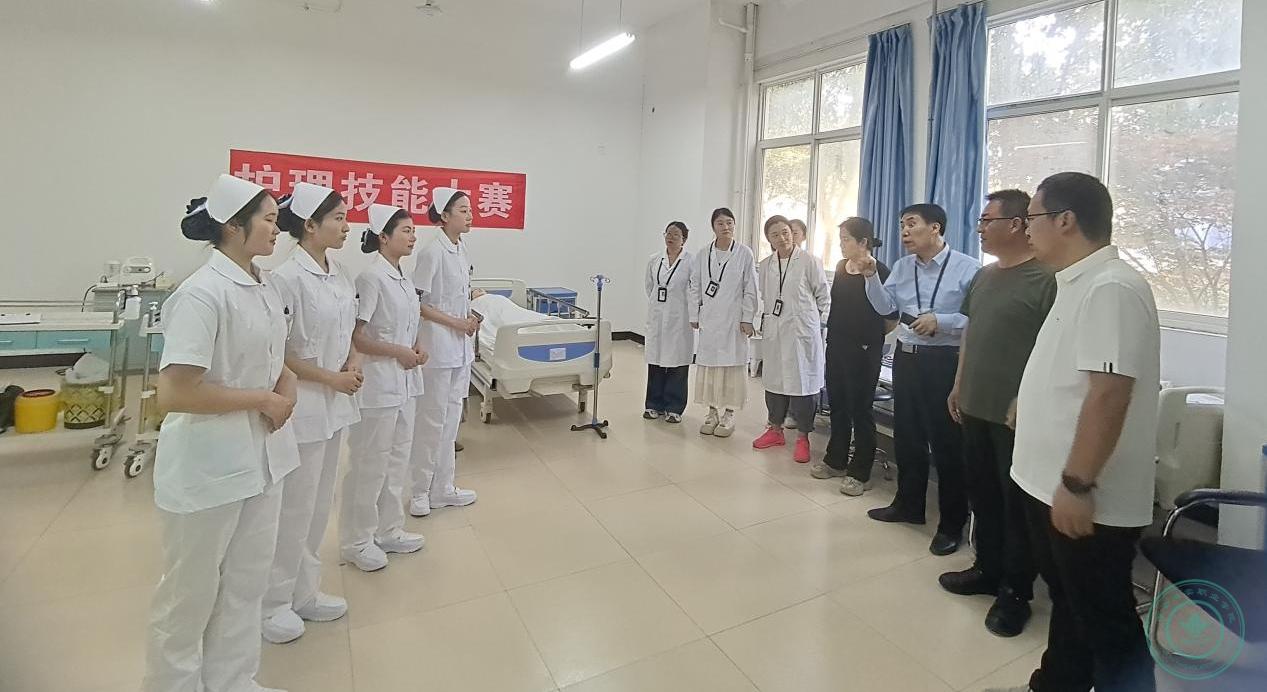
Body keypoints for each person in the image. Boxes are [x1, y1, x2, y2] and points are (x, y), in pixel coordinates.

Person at [987, 173, 1160, 692]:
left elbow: (1110, 394)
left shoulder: (1112, 288)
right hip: (1047, 483)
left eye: (1033, 217)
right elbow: (1075, 375)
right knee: (1070, 603)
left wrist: (1078, 483)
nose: (1026, 228)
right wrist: (1029, 400)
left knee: (1106, 620)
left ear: (1065, 220)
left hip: (1083, 496)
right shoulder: (1073, 281)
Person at [142, 174, 300, 692]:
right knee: (188, 594)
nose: (277, 230)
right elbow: (175, 392)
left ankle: (233, 679)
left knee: (247, 580)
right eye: (269, 220)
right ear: (234, 226)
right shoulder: (201, 293)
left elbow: (271, 355)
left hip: (262, 458)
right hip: (209, 466)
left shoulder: (262, 284)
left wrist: (286, 381)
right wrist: (263, 399)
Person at [939, 189, 1055, 639]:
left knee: (1015, 506)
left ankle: (1015, 592)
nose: (980, 228)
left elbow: (1053, 350)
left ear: (1018, 224)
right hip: (975, 405)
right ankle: (986, 569)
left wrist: (1025, 399)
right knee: (983, 496)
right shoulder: (984, 277)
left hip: (1017, 417)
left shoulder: (1047, 279)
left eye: (988, 220)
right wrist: (958, 383)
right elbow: (971, 333)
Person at [258, 184, 360, 644]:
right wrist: (331, 378)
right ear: (310, 226)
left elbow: (347, 332)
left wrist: (352, 363)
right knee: (293, 508)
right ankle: (272, 604)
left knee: (319, 506)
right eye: (338, 218)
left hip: (335, 405)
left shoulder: (339, 274)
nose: (346, 226)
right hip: (304, 405)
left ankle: (305, 591)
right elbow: (280, 352)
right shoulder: (286, 278)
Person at [859, 203, 980, 556]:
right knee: (908, 435)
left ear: (935, 227)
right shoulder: (902, 266)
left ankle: (951, 524)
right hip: (907, 359)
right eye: (902, 225)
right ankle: (908, 505)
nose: (904, 231)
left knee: (947, 444)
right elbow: (885, 308)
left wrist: (942, 321)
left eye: (911, 224)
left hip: (945, 362)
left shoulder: (968, 268)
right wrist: (870, 276)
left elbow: (976, 317)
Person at [338, 203, 427, 573]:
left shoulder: (403, 278)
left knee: (396, 460)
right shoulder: (371, 278)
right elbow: (358, 336)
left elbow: (408, 326)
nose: (413, 237)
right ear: (383, 237)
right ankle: (356, 541)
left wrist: (416, 347)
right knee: (369, 464)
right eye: (406, 230)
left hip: (404, 382)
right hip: (378, 383)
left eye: (413, 230)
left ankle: (389, 530)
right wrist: (400, 352)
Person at [408, 187, 479, 518]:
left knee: (450, 422)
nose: (470, 215)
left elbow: (459, 295)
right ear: (445, 216)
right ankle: (420, 491)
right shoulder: (431, 252)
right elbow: (418, 303)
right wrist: (456, 322)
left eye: (470, 209)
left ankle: (443, 487)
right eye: (463, 210)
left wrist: (470, 317)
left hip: (460, 349)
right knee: (431, 421)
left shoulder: (460, 248)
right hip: (437, 347)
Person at [811, 217, 895, 495]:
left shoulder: (881, 271)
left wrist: (868, 340)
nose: (842, 245)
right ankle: (835, 460)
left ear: (863, 242)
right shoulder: (840, 267)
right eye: (841, 240)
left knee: (860, 408)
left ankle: (860, 471)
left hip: (864, 350)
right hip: (837, 344)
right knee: (838, 404)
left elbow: (891, 317)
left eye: (846, 239)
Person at [752, 216, 830, 463]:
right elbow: (764, 297)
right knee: (774, 382)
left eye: (785, 232)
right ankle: (775, 430)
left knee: (802, 386)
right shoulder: (765, 265)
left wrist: (815, 325)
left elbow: (824, 298)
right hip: (775, 332)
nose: (782, 238)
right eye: (775, 234)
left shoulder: (809, 261)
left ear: (792, 233)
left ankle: (803, 438)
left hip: (801, 334)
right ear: (769, 239)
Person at [689, 207, 758, 438]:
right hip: (710, 319)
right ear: (713, 227)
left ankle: (729, 414)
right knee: (710, 366)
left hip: (734, 320)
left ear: (734, 225)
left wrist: (747, 318)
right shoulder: (703, 254)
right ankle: (711, 413)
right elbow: (695, 286)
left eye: (729, 222)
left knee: (731, 367)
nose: (725, 227)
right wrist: (693, 315)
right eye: (720, 223)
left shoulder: (744, 253)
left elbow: (750, 288)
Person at [643, 221, 694, 423]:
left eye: (676, 234)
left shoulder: (691, 262)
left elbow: (694, 290)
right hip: (658, 316)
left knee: (678, 363)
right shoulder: (654, 260)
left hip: (680, 318)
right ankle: (653, 404)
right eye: (668, 233)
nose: (671, 237)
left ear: (684, 240)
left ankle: (674, 407)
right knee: (655, 361)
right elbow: (649, 287)